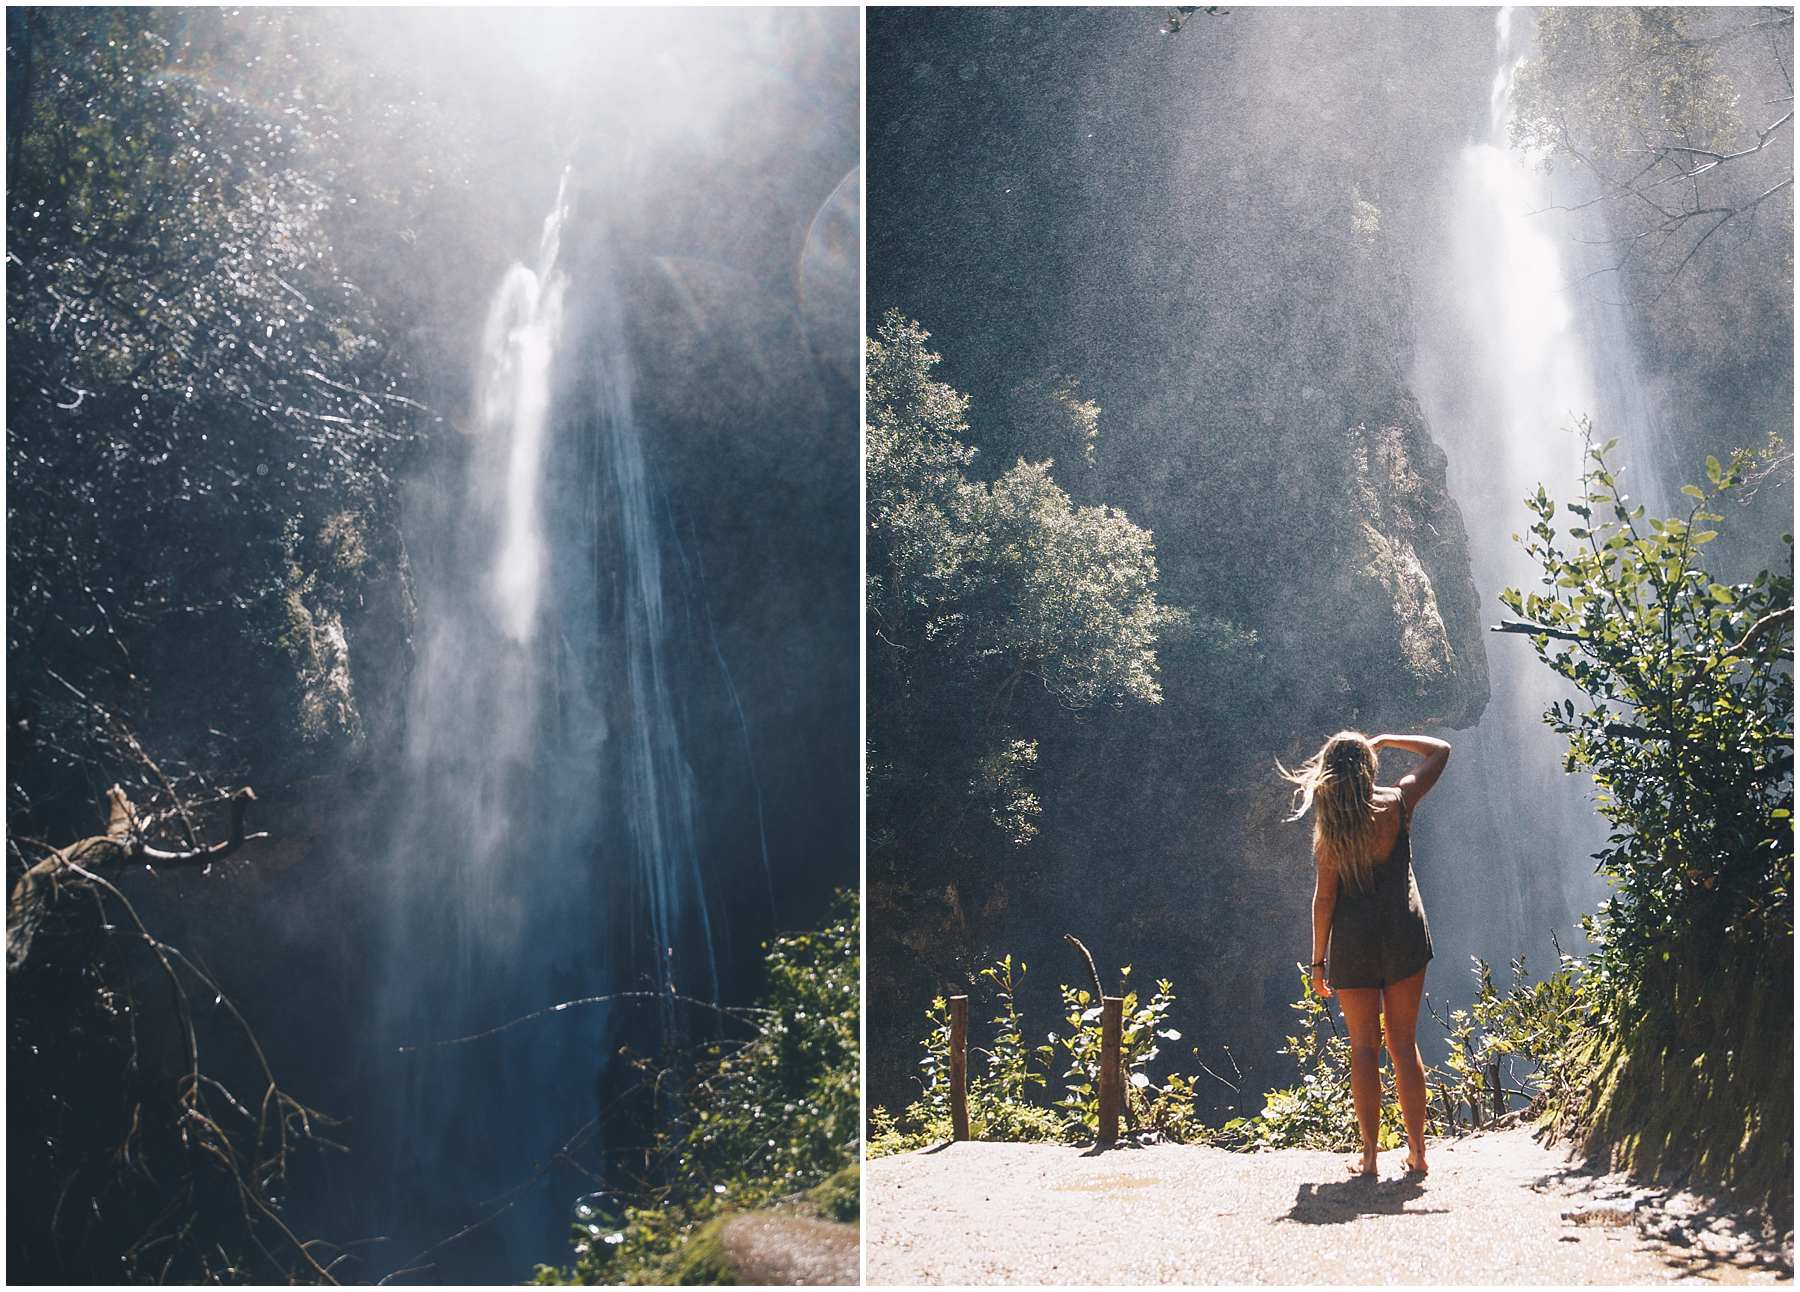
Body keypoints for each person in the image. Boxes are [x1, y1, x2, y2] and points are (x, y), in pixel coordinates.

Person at [1280, 730, 1450, 1177]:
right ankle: (1417, 1153)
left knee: (1362, 1049)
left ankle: (1371, 1156)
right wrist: (1389, 740)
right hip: (1403, 936)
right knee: (1403, 1044)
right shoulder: (1398, 801)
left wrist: (1318, 961)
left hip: (1353, 944)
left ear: (1328, 774)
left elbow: (1324, 899)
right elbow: (1440, 751)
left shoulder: (1332, 824)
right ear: (1369, 767)